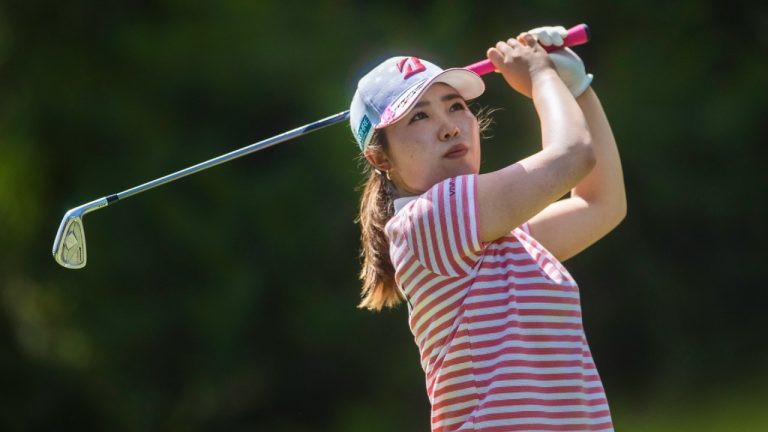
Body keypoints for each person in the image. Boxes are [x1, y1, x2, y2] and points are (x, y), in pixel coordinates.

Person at [350, 25, 625, 432]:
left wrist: (578, 88)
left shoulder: (504, 237)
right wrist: (542, 77)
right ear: (380, 158)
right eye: (419, 116)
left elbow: (601, 204)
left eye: (455, 106)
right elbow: (572, 156)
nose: (449, 126)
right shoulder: (428, 220)